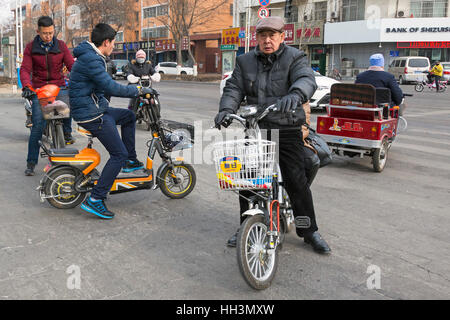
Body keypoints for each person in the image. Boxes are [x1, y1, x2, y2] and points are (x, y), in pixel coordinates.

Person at [215, 16, 331, 254]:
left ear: (281, 37)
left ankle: (309, 231)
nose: (267, 41)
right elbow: (234, 88)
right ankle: (247, 226)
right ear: (256, 38)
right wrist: (226, 109)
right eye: (262, 36)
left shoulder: (295, 57)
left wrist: (296, 95)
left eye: (272, 36)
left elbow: (305, 79)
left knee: (295, 181)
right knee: (248, 181)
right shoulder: (244, 61)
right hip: (256, 127)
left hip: (287, 126)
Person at [69, 23, 153, 219]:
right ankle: (96, 199)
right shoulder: (92, 59)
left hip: (95, 108)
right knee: (118, 154)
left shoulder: (92, 56)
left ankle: (131, 161)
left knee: (129, 116)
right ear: (106, 42)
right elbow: (110, 86)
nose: (114, 47)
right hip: (90, 114)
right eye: (113, 43)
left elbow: (104, 86)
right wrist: (139, 90)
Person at [20, 16, 75, 176]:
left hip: (58, 86)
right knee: (38, 126)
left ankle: (66, 131)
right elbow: (25, 69)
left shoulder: (61, 46)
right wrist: (26, 86)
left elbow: (72, 65)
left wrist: (81, 77)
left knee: (69, 103)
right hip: (39, 88)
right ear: (38, 32)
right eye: (45, 33)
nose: (48, 36)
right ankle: (31, 162)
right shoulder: (31, 47)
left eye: (51, 32)